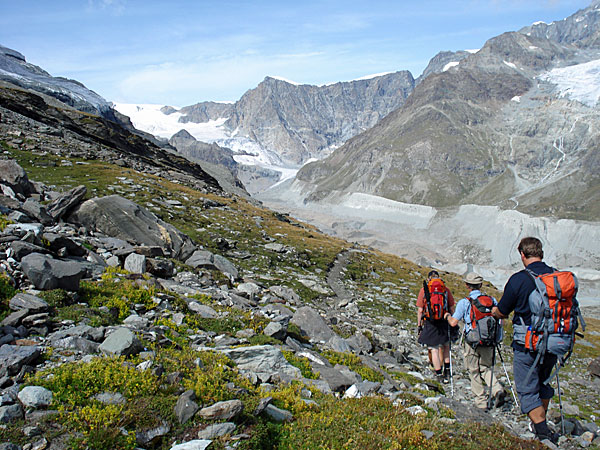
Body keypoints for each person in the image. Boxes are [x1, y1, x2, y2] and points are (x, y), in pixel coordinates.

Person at [492, 237, 559, 443]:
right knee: (544, 382)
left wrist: (495, 312)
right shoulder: (557, 276)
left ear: (522, 254)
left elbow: (503, 311)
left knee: (526, 387)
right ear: (541, 253)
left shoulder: (518, 279)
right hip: (555, 340)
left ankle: (542, 432)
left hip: (527, 343)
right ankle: (540, 421)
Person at [444, 272, 506, 410]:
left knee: (473, 371)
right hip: (489, 341)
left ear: (467, 285)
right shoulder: (492, 300)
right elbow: (499, 319)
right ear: (481, 285)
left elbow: (454, 322)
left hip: (472, 341)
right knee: (485, 368)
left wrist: (447, 316)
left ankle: (481, 402)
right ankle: (497, 389)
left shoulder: (465, 302)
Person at [417, 270, 455, 383]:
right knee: (446, 346)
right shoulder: (445, 289)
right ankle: (447, 371)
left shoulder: (424, 289)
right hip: (444, 319)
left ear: (429, 279)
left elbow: (420, 310)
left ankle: (438, 374)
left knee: (434, 349)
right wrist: (451, 319)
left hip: (430, 321)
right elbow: (452, 307)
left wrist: (419, 325)